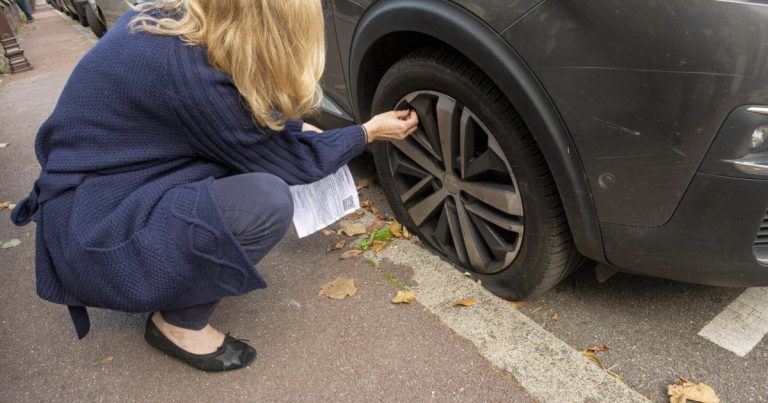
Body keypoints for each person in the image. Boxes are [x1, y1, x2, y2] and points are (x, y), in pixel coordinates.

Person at [10, 0, 418, 372]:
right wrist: (367, 132)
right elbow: (292, 162)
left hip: (101, 188)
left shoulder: (170, 22)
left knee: (247, 166)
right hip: (95, 229)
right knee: (265, 201)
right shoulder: (189, 75)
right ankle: (177, 323)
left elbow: (226, 118)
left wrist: (293, 129)